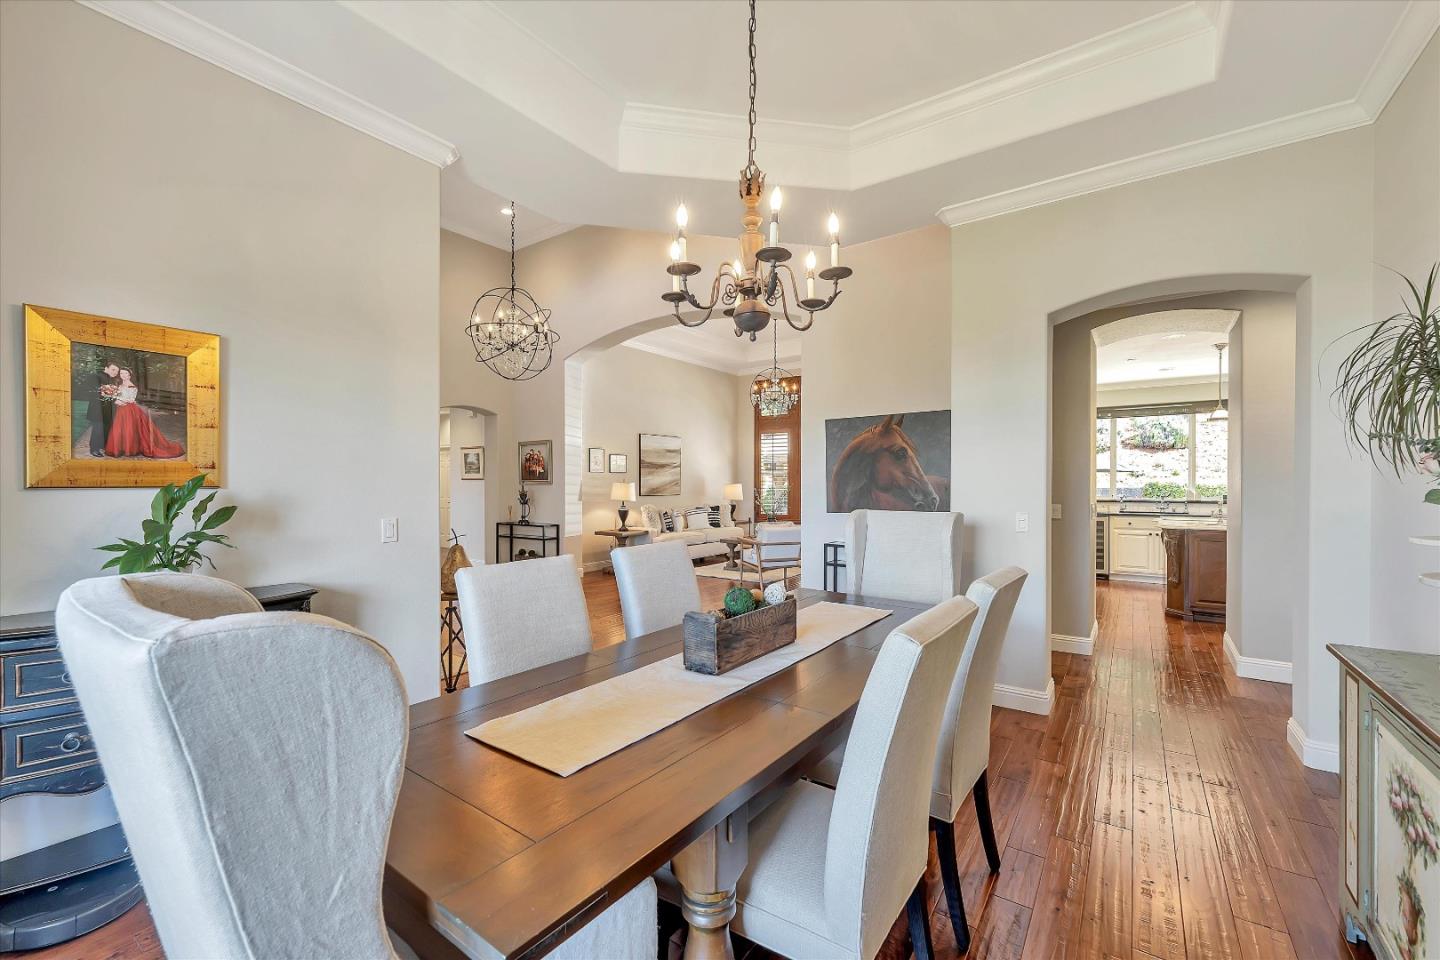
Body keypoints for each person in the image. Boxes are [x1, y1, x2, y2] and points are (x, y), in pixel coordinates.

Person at [104, 368, 184, 459]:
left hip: (128, 409)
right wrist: (115, 398)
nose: (123, 375)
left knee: (129, 428)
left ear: (129, 375)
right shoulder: (120, 384)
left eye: (125, 373)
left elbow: (131, 399)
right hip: (121, 409)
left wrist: (119, 400)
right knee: (121, 428)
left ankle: (130, 448)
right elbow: (119, 396)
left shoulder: (132, 386)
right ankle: (123, 447)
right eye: (121, 373)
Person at [86, 361, 119, 457]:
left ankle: (102, 446)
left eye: (117, 371)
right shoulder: (96, 376)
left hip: (108, 410)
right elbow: (92, 390)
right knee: (98, 429)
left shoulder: (112, 380)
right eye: (113, 369)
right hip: (97, 409)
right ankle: (94, 449)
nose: (115, 372)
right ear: (106, 368)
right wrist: (105, 392)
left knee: (106, 429)